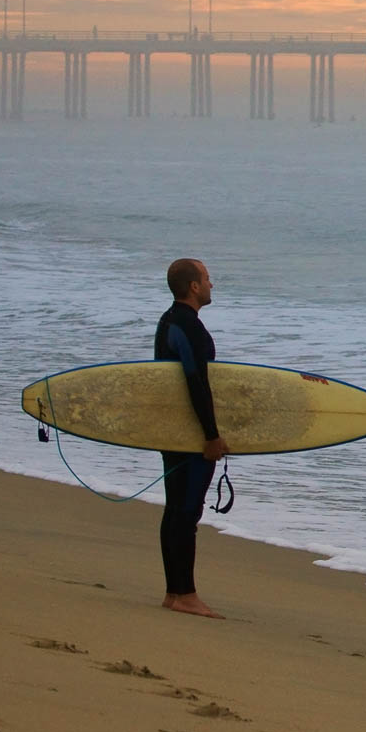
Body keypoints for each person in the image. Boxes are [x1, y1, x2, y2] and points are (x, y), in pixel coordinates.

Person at [154, 258, 229, 618]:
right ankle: (185, 594)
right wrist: (212, 436)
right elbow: (196, 383)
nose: (212, 285)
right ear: (194, 287)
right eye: (207, 279)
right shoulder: (189, 327)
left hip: (172, 431)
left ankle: (174, 592)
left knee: (175, 510)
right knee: (186, 513)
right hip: (191, 437)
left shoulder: (168, 321)